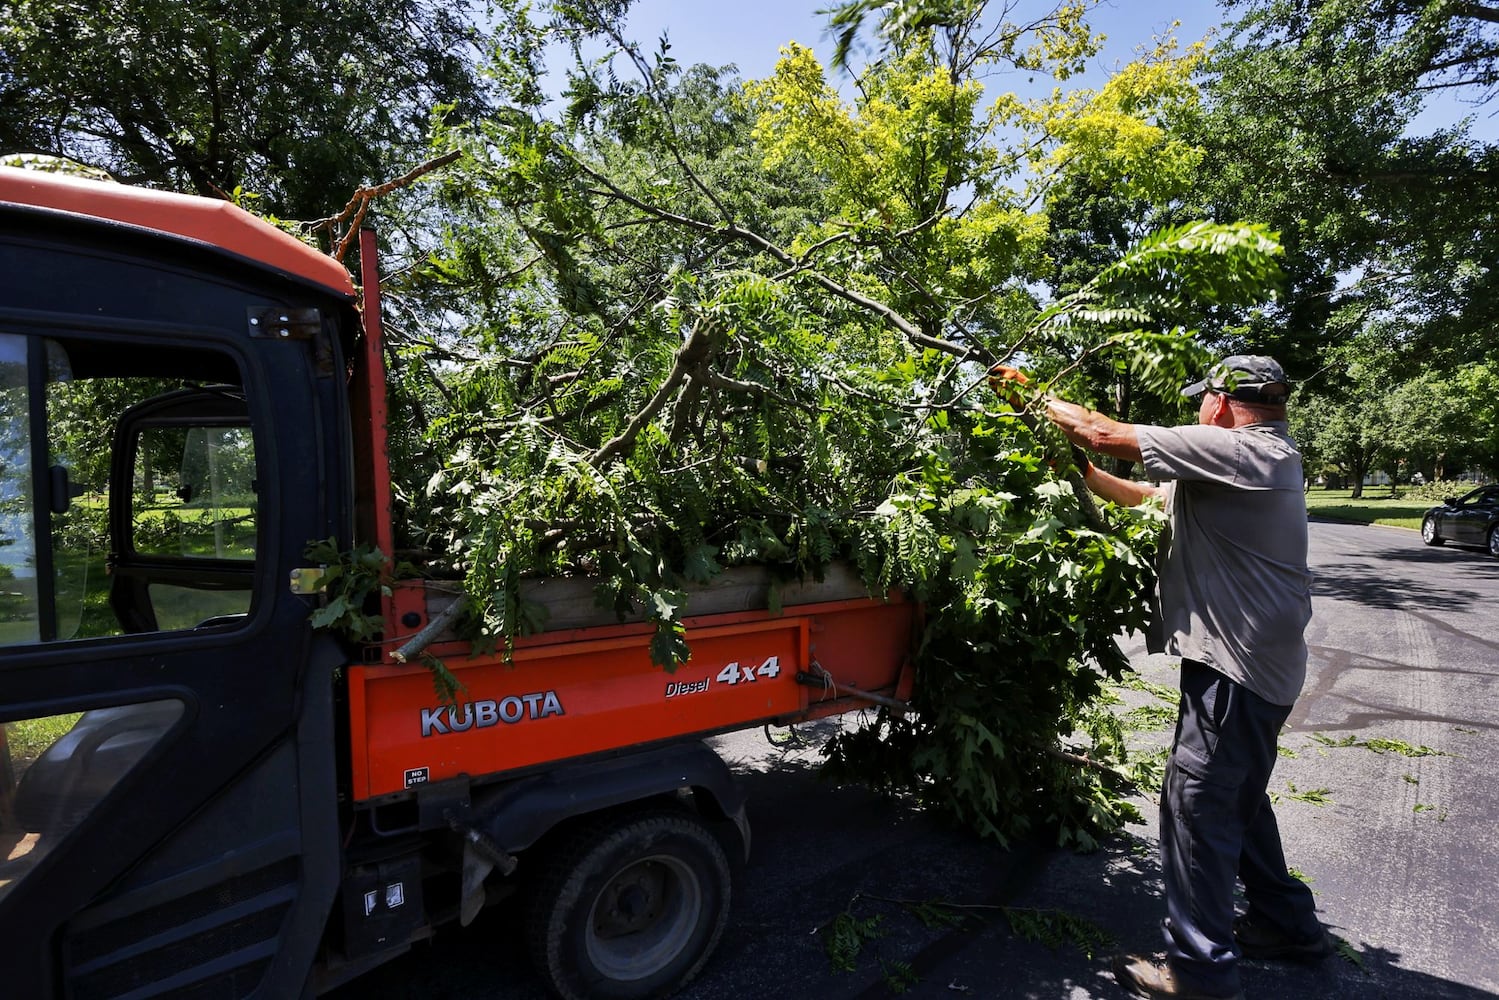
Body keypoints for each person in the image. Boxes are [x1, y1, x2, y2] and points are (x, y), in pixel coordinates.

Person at [994, 355, 1331, 1000]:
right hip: (1252, 669)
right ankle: (1287, 924)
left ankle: (1200, 971)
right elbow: (1147, 495)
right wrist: (1083, 476)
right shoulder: (1244, 465)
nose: (1197, 409)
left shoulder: (1245, 451)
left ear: (1224, 403)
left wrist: (1028, 393)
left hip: (1237, 672)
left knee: (1196, 807)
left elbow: (1100, 428)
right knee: (1239, 798)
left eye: (1202, 399)